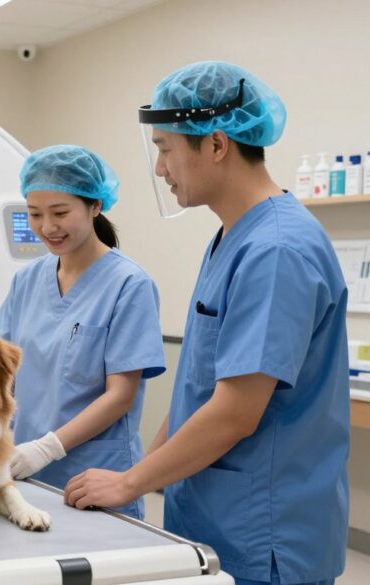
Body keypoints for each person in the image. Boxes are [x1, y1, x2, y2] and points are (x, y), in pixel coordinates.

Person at [64, 61, 350, 585]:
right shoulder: (231, 237)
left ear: (216, 145)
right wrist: (139, 483)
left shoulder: (276, 250)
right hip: (213, 518)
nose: (159, 169)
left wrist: (129, 484)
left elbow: (234, 413)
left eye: (166, 149)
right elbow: (198, 390)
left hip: (265, 536)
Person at [0, 144, 166, 519]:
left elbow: (120, 395)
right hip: (22, 471)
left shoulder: (129, 284)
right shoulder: (28, 280)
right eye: (34, 214)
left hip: (93, 478)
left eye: (60, 212)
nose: (47, 227)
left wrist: (47, 448)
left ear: (95, 206)